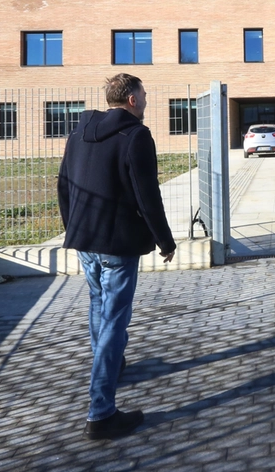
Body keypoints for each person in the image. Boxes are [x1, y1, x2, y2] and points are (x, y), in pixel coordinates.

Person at [58, 73, 176, 440]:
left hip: (86, 241)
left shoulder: (78, 133)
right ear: (131, 100)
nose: (146, 99)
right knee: (113, 322)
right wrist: (165, 241)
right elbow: (147, 195)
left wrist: (74, 227)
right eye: (144, 94)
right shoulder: (136, 136)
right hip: (118, 247)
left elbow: (63, 185)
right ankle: (101, 413)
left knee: (99, 308)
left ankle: (111, 364)